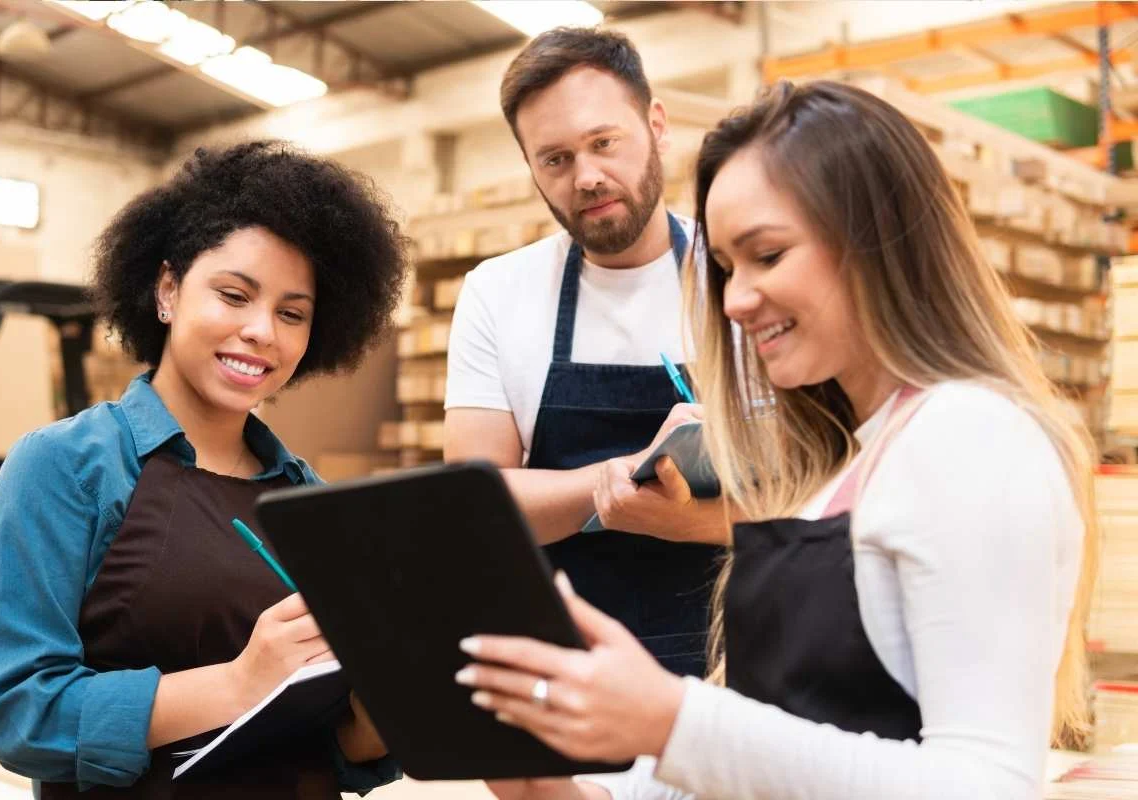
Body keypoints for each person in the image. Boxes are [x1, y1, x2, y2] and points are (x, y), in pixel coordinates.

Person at [455, 80, 1098, 800]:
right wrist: (552, 785)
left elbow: (983, 788)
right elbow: (777, 733)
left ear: (876, 238)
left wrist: (671, 722)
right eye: (727, 267)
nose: (732, 300)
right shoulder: (845, 462)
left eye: (767, 256)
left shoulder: (971, 438)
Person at [0, 141, 407, 798]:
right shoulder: (67, 468)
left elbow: (339, 747)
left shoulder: (306, 497)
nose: (263, 331)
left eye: (292, 313)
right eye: (234, 295)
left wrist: (390, 696)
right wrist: (238, 683)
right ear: (168, 290)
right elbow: (22, 715)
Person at [444, 27, 725, 679]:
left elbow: (812, 496)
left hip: (733, 665)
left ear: (657, 126)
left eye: (604, 143)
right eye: (556, 160)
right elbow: (475, 508)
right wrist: (614, 482)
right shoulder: (498, 291)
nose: (588, 177)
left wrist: (690, 523)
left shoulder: (736, 272)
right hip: (569, 670)